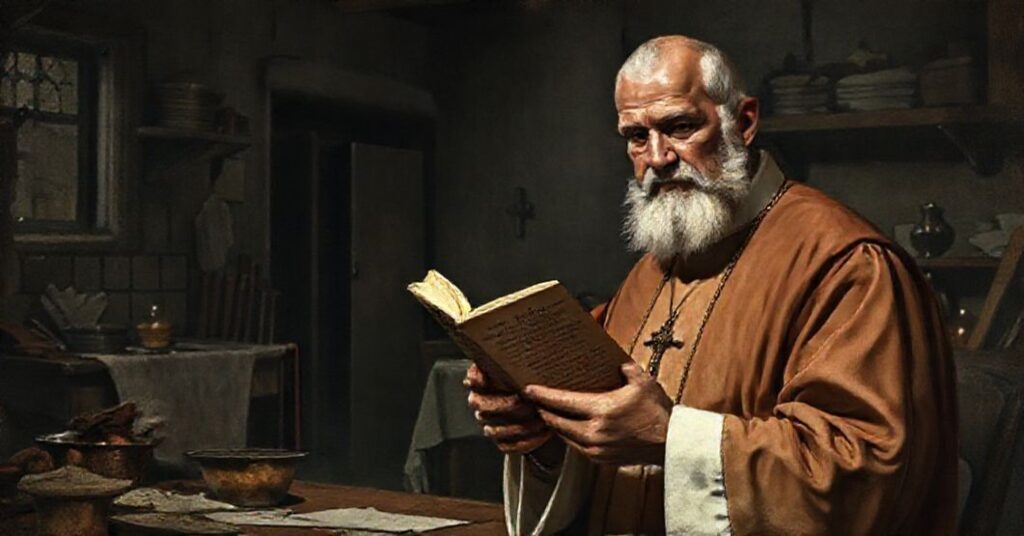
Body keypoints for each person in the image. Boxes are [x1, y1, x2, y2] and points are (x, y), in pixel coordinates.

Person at [464, 35, 958, 535]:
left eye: (679, 127)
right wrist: (544, 436)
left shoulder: (847, 263)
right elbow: (605, 452)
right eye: (636, 136)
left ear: (742, 122)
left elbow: (865, 471)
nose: (656, 158)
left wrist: (667, 435)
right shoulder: (652, 270)